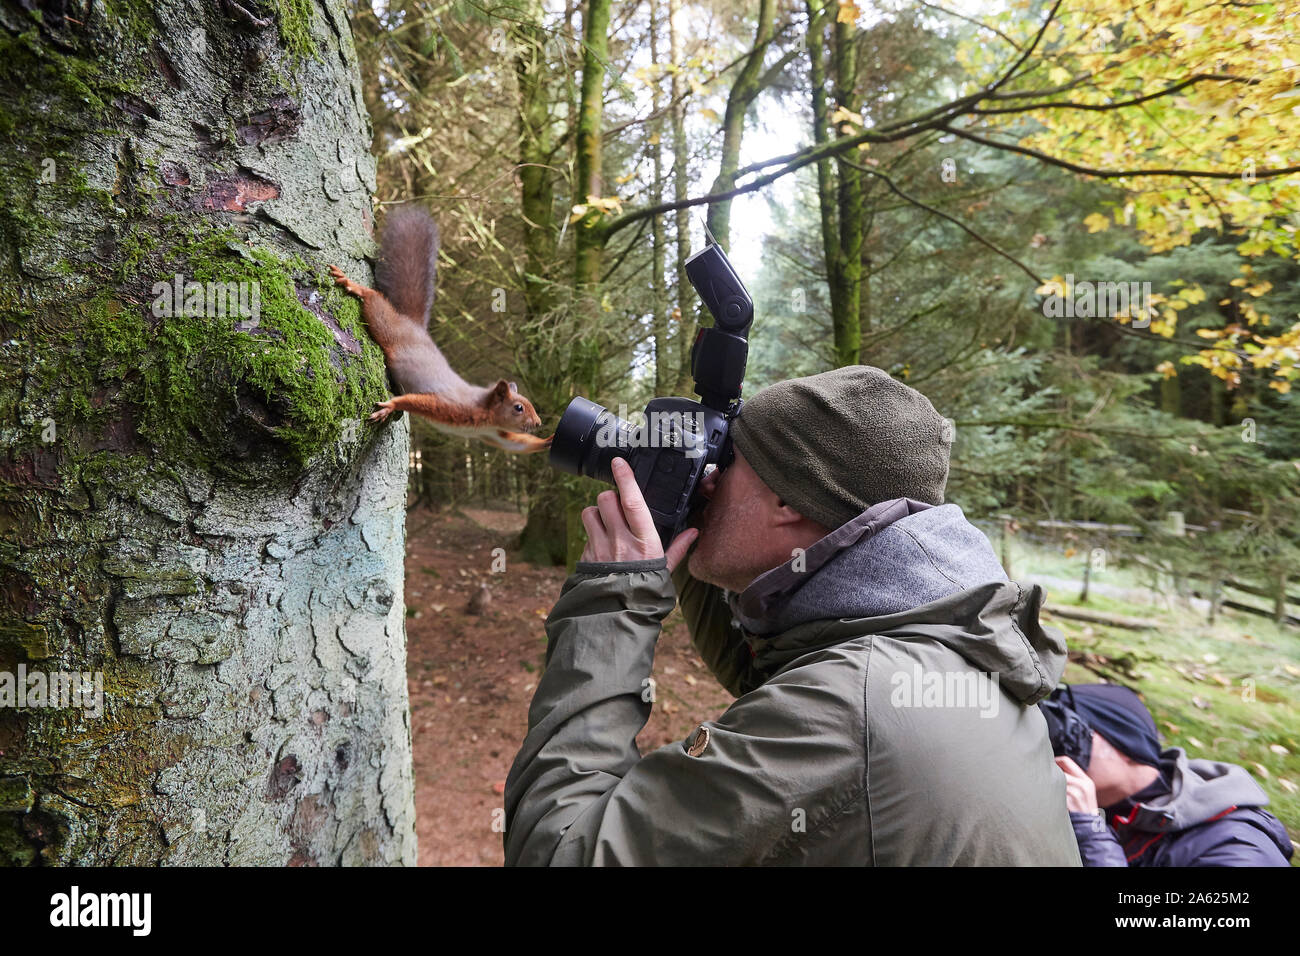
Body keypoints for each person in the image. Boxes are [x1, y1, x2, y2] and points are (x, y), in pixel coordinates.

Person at [503, 365, 1081, 865]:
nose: (707, 478)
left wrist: (613, 600)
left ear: (788, 501)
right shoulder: (940, 638)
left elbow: (557, 851)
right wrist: (678, 521)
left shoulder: (852, 709)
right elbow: (770, 668)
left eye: (726, 462)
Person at [1046, 683, 1293, 866]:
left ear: (1127, 743)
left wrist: (1093, 834)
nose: (1057, 751)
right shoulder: (1089, 814)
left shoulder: (1236, 843)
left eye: (1072, 735)